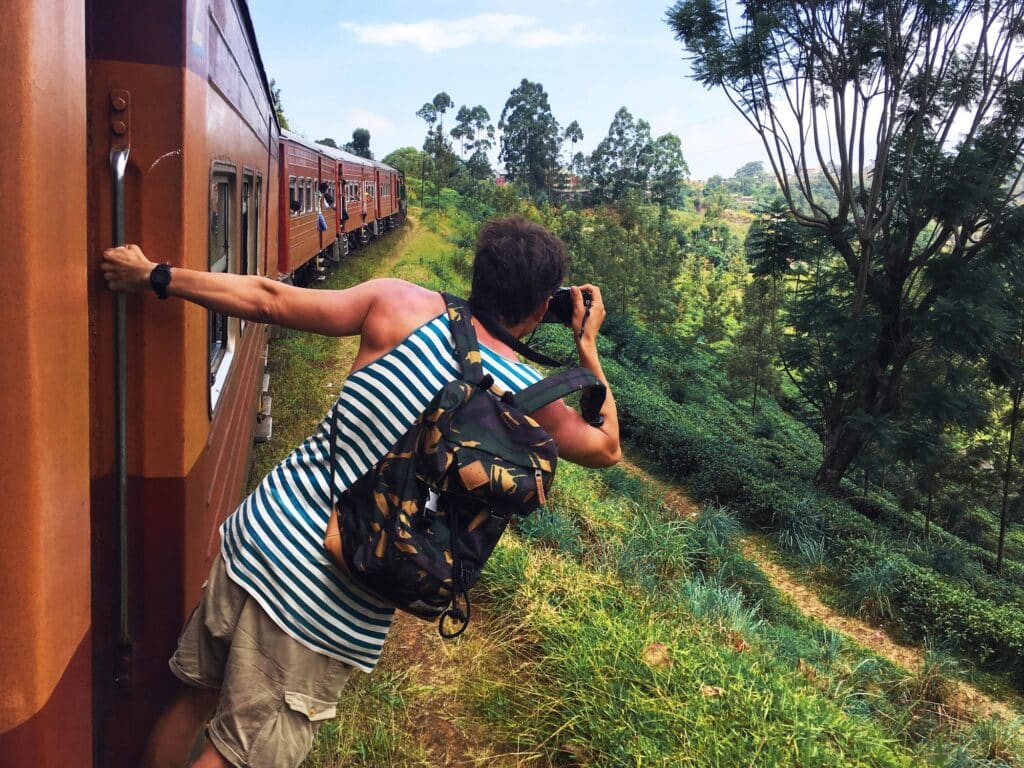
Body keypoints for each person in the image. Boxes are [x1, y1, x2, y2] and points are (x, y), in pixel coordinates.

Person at [101, 214, 620, 768]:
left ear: (478, 274)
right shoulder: (532, 396)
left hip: (261, 533)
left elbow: (267, 299)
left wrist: (152, 275)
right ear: (545, 307)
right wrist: (586, 347)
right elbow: (607, 447)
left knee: (191, 701)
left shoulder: (398, 303)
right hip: (331, 593)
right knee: (238, 756)